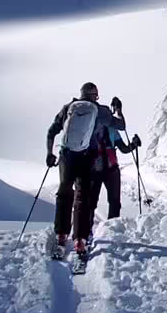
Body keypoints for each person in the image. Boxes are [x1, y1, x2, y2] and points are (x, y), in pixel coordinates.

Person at [44, 82, 137, 259]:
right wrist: (118, 110)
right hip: (87, 157)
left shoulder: (68, 108)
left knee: (64, 192)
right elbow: (121, 126)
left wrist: (50, 153)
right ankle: (80, 239)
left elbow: (51, 131)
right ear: (95, 95)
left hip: (66, 155)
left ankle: (61, 235)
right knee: (82, 197)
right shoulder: (100, 110)